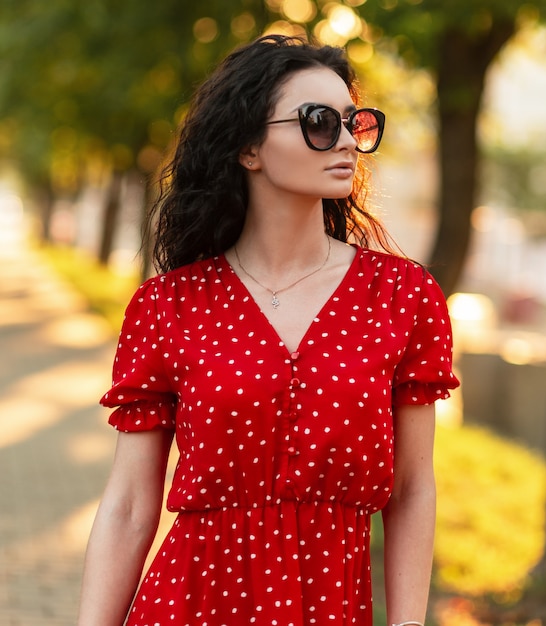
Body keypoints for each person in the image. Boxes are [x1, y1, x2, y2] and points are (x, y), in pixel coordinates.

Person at [77, 34, 459, 626]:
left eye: (353, 122)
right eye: (317, 122)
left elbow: (411, 490)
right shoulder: (169, 306)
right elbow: (129, 506)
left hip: (331, 605)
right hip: (188, 605)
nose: (345, 142)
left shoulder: (402, 298)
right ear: (249, 148)